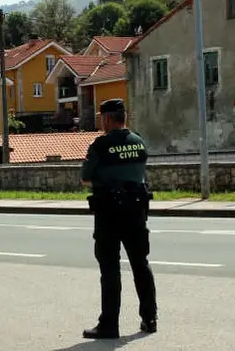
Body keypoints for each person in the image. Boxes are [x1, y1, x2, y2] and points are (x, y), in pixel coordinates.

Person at [80, 98, 157, 340]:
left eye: (101, 118)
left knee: (110, 269)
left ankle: (109, 325)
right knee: (140, 264)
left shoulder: (101, 145)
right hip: (136, 211)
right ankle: (150, 318)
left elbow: (85, 178)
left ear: (107, 118)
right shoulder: (138, 141)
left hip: (109, 213)